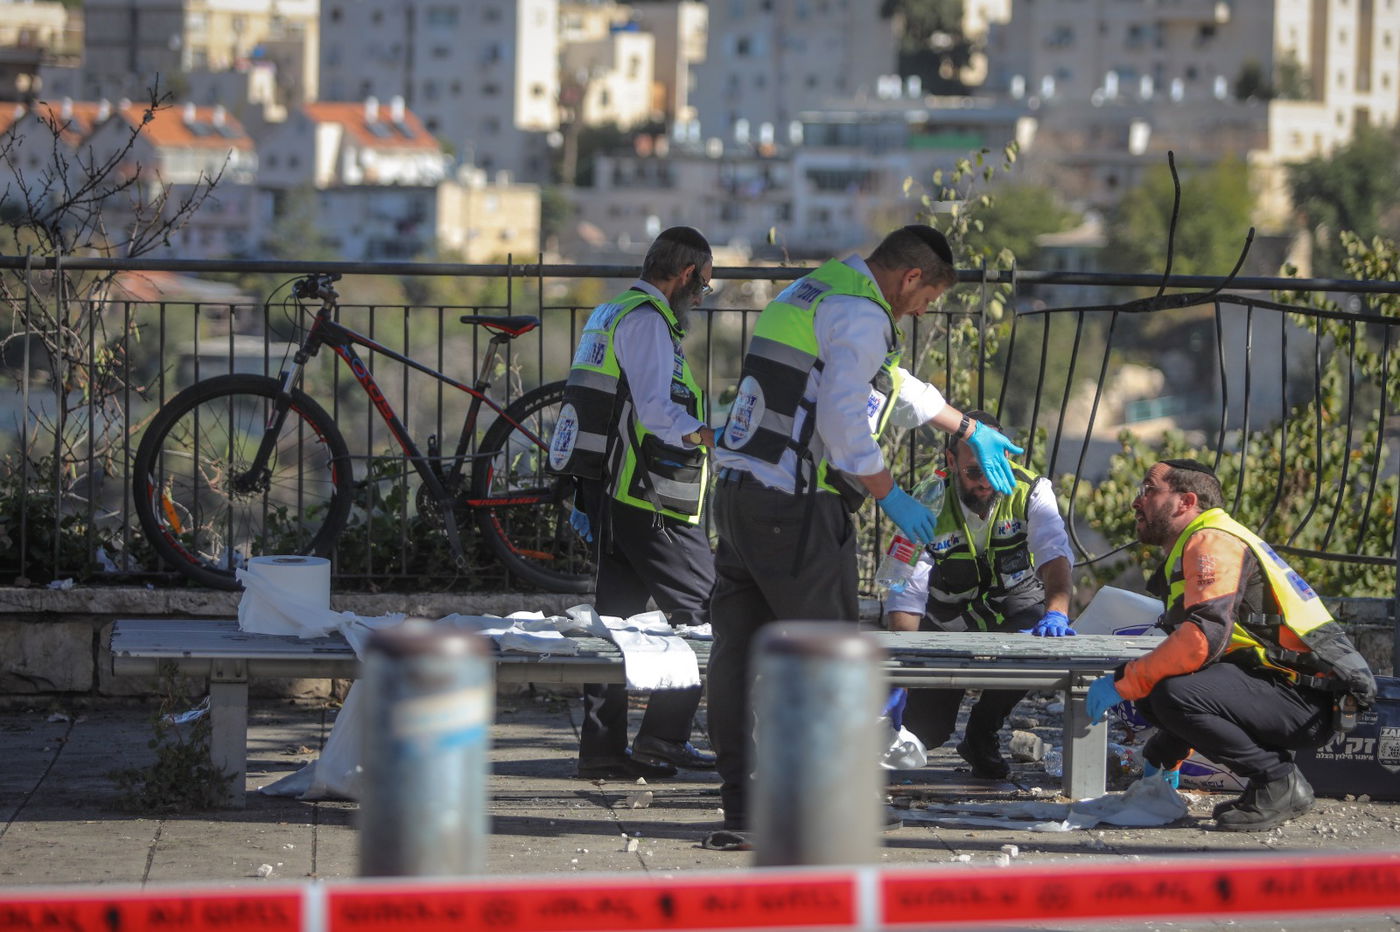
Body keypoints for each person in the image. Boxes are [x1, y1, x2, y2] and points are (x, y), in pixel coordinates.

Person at [705, 224, 1024, 838]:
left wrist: (963, 427)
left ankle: (744, 808)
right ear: (911, 278)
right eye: (927, 298)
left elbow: (890, 386)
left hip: (741, 496)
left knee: (737, 657)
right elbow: (844, 415)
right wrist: (889, 494)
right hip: (796, 506)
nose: (923, 309)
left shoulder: (813, 292)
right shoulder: (861, 313)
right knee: (829, 660)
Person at [1085, 459, 1377, 831]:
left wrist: (1122, 681)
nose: (1136, 502)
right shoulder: (1202, 540)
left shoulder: (1212, 541)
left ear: (1186, 501)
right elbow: (1203, 661)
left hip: (1308, 700)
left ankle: (1278, 781)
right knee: (1159, 685)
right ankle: (1264, 787)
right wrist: (1164, 756)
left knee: (1166, 689)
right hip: (1287, 691)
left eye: (1149, 490)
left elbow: (1200, 643)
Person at [548, 225, 718, 780]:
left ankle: (600, 751)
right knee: (707, 616)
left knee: (614, 627)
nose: (699, 299)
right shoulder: (647, 323)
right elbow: (656, 412)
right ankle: (662, 739)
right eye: (703, 287)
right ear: (687, 274)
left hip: (609, 493)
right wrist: (711, 436)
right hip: (649, 497)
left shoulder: (610, 313)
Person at [884, 409, 1075, 780]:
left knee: (1040, 636)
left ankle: (981, 734)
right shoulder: (926, 500)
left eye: (994, 470)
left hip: (1014, 607)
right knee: (926, 733)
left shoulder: (1032, 490)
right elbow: (905, 593)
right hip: (948, 617)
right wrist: (901, 673)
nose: (986, 482)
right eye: (974, 472)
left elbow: (1055, 556)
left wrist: (1057, 613)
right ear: (951, 461)